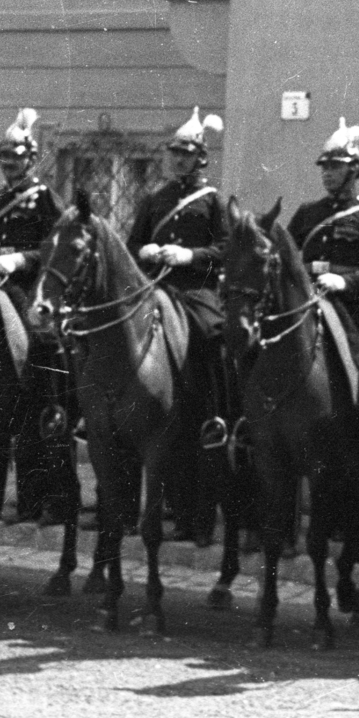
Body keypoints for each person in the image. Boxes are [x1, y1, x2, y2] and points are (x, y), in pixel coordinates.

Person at [127, 107, 230, 545]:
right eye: (175, 153)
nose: (179, 160)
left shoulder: (213, 202)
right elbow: (132, 243)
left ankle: (219, 411)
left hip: (195, 292)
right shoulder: (156, 199)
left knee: (212, 337)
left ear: (201, 158)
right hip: (157, 291)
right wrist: (148, 252)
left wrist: (190, 257)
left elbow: (226, 248)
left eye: (187, 154)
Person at [0, 108, 69, 526]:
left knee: (40, 358)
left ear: (31, 159)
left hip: (29, 290)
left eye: (16, 158)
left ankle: (49, 496)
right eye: (4, 158)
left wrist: (21, 259)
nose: (9, 165)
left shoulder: (45, 197)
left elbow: (60, 245)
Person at [288, 117, 359, 440]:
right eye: (324, 167)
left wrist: (345, 282)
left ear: (353, 171)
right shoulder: (307, 213)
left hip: (352, 303)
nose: (326, 173)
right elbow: (288, 257)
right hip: (308, 300)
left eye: (334, 167)